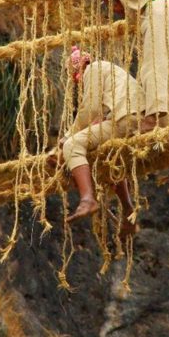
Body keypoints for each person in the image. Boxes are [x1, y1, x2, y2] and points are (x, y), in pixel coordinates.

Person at [68, 0, 169, 132]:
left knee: (153, 67)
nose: (108, 1)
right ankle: (165, 126)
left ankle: (153, 118)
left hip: (159, 11)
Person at [60, 46, 144, 236]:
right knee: (108, 156)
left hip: (126, 119)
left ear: (77, 69)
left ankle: (87, 199)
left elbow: (90, 108)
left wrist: (67, 136)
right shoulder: (109, 71)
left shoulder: (93, 69)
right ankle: (128, 210)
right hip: (135, 119)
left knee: (72, 146)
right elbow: (100, 114)